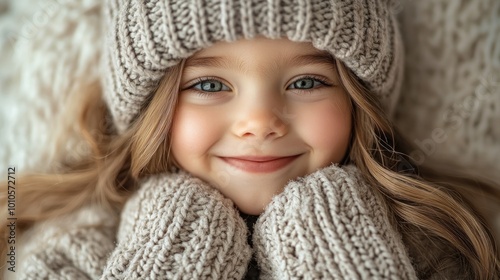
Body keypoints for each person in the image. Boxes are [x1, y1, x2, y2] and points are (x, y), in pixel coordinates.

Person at [1, 0, 499, 279]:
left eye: (306, 82)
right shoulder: (74, 251)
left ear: (357, 101)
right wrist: (175, 251)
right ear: (152, 109)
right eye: (210, 85)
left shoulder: (435, 251)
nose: (260, 122)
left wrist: (331, 245)